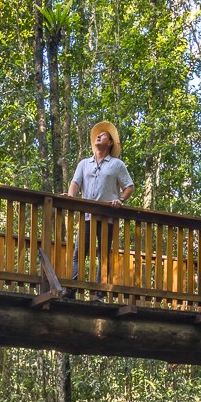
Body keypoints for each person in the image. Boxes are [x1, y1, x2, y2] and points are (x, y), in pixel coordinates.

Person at [67, 121, 134, 299]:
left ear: (110, 142)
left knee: (103, 255)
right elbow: (75, 183)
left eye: (103, 135)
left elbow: (129, 186)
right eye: (98, 135)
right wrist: (70, 197)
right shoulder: (84, 163)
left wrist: (120, 200)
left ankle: (98, 293)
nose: (98, 136)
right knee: (79, 252)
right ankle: (72, 288)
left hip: (107, 217)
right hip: (87, 216)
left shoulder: (117, 164)